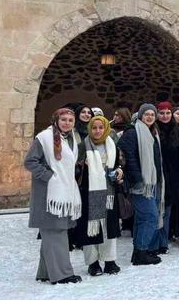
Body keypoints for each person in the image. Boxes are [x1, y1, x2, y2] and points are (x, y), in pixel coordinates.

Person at [25, 108, 83, 284]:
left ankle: (46, 272)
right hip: (49, 195)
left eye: (70, 120)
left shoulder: (71, 139)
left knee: (54, 234)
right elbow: (30, 161)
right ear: (56, 120)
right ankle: (62, 274)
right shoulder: (44, 138)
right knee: (55, 233)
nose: (67, 123)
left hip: (64, 193)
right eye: (63, 119)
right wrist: (50, 177)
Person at [71, 115, 122, 276]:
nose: (98, 131)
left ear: (106, 128)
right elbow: (72, 170)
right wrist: (81, 166)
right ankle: (93, 263)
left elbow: (120, 163)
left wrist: (120, 171)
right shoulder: (81, 147)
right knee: (91, 228)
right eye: (94, 127)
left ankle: (109, 260)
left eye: (101, 127)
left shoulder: (112, 145)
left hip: (109, 193)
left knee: (109, 228)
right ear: (89, 129)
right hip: (89, 193)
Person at [118, 104, 164, 266]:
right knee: (150, 216)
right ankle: (141, 252)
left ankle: (139, 252)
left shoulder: (153, 133)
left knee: (142, 218)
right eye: (147, 114)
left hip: (151, 182)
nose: (150, 117)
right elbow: (127, 156)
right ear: (140, 115)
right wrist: (137, 178)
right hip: (139, 184)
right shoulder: (132, 132)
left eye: (153, 114)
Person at [157, 101, 179, 249]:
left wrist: (176, 172)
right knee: (155, 212)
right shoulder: (153, 130)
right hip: (155, 177)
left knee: (167, 211)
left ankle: (163, 243)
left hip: (171, 178)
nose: (165, 116)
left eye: (167, 113)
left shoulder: (177, 131)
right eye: (161, 113)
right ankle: (153, 242)